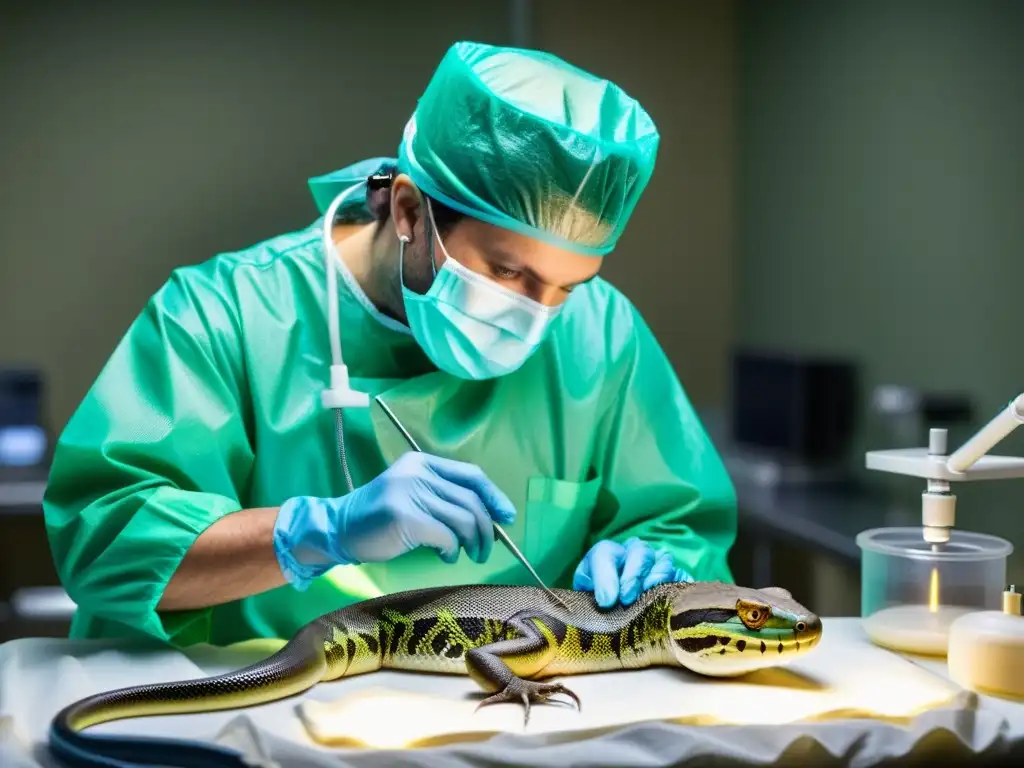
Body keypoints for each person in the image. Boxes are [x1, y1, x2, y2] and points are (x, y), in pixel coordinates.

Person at [43, 41, 737, 647]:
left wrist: (656, 562)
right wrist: (316, 533)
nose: (535, 314)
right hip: (261, 710)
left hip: (502, 709)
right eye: (505, 270)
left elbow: (682, 522)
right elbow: (106, 541)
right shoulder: (225, 314)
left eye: (566, 285)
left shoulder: (601, 336)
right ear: (407, 209)